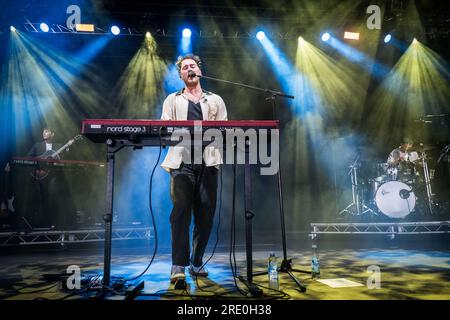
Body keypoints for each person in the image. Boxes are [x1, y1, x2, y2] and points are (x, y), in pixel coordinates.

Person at [160, 54, 227, 283]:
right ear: (180, 74)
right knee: (180, 213)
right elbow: (165, 129)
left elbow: (225, 130)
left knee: (206, 215)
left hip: (208, 163)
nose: (189, 69)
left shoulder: (215, 100)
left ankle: (196, 261)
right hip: (181, 163)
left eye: (193, 66)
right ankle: (178, 264)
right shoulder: (172, 99)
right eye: (185, 67)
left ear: (200, 71)